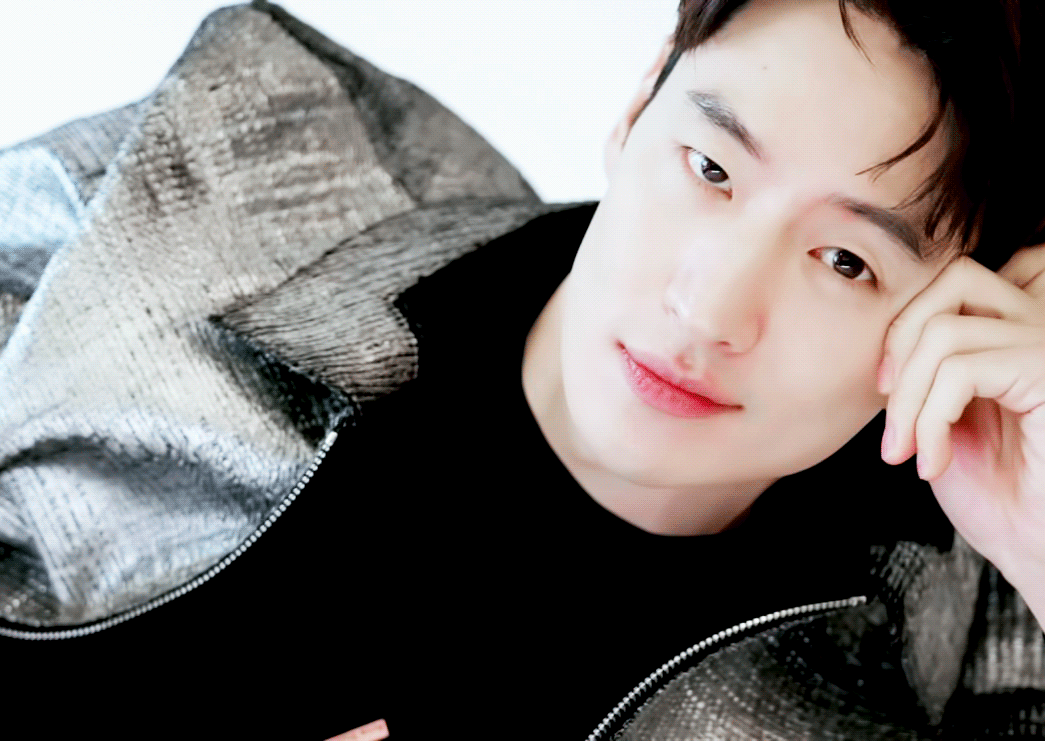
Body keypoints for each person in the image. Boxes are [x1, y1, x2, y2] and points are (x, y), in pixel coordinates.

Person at [3, 0, 1045, 739]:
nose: (709, 307)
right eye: (710, 168)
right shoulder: (216, 170)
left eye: (845, 261)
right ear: (637, 108)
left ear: (972, 305)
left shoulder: (975, 620)